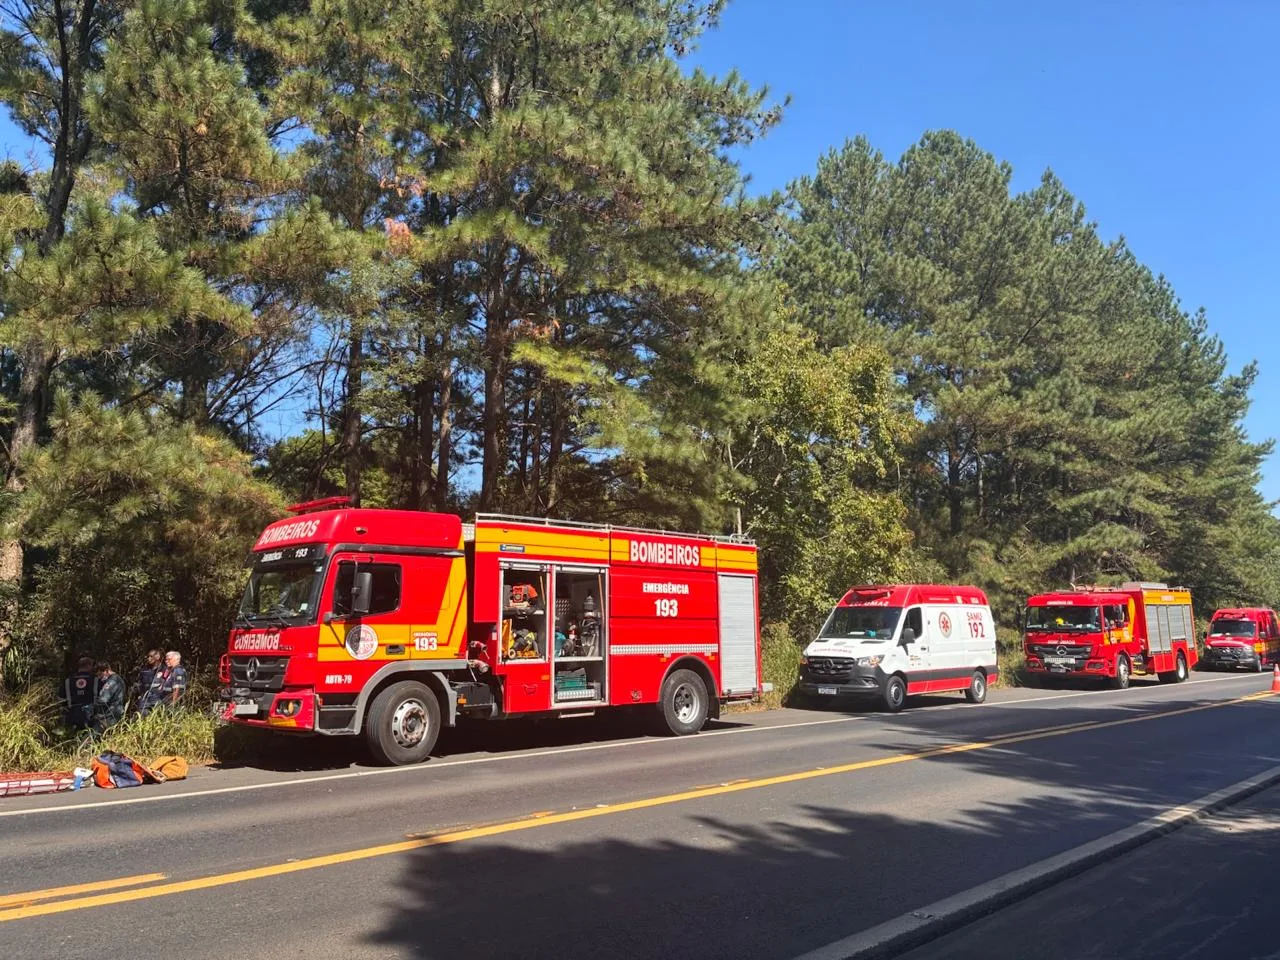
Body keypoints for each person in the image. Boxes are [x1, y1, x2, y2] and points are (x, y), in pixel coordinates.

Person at [138, 651, 188, 716]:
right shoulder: (170, 670)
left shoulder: (178, 671)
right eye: (166, 659)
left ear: (177, 659)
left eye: (169, 659)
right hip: (165, 703)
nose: (166, 661)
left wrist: (172, 705)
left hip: (171, 705)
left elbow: (178, 690)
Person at [63, 656, 97, 730]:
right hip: (90, 716)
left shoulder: (68, 680)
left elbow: (61, 697)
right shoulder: (95, 679)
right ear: (88, 665)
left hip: (72, 715)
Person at [93, 660, 126, 733]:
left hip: (110, 715)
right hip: (115, 713)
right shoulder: (117, 679)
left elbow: (103, 700)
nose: (99, 677)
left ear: (106, 671)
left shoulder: (112, 682)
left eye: (100, 675)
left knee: (92, 736)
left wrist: (92, 705)